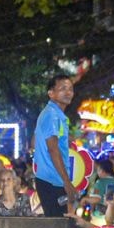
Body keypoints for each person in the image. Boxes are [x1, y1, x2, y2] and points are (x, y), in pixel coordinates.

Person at [32, 74, 78, 219]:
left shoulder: (54, 114)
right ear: (51, 93)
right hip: (52, 181)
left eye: (70, 88)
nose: (68, 92)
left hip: (50, 179)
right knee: (59, 226)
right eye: (63, 88)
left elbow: (34, 141)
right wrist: (67, 182)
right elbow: (53, 149)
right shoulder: (52, 115)